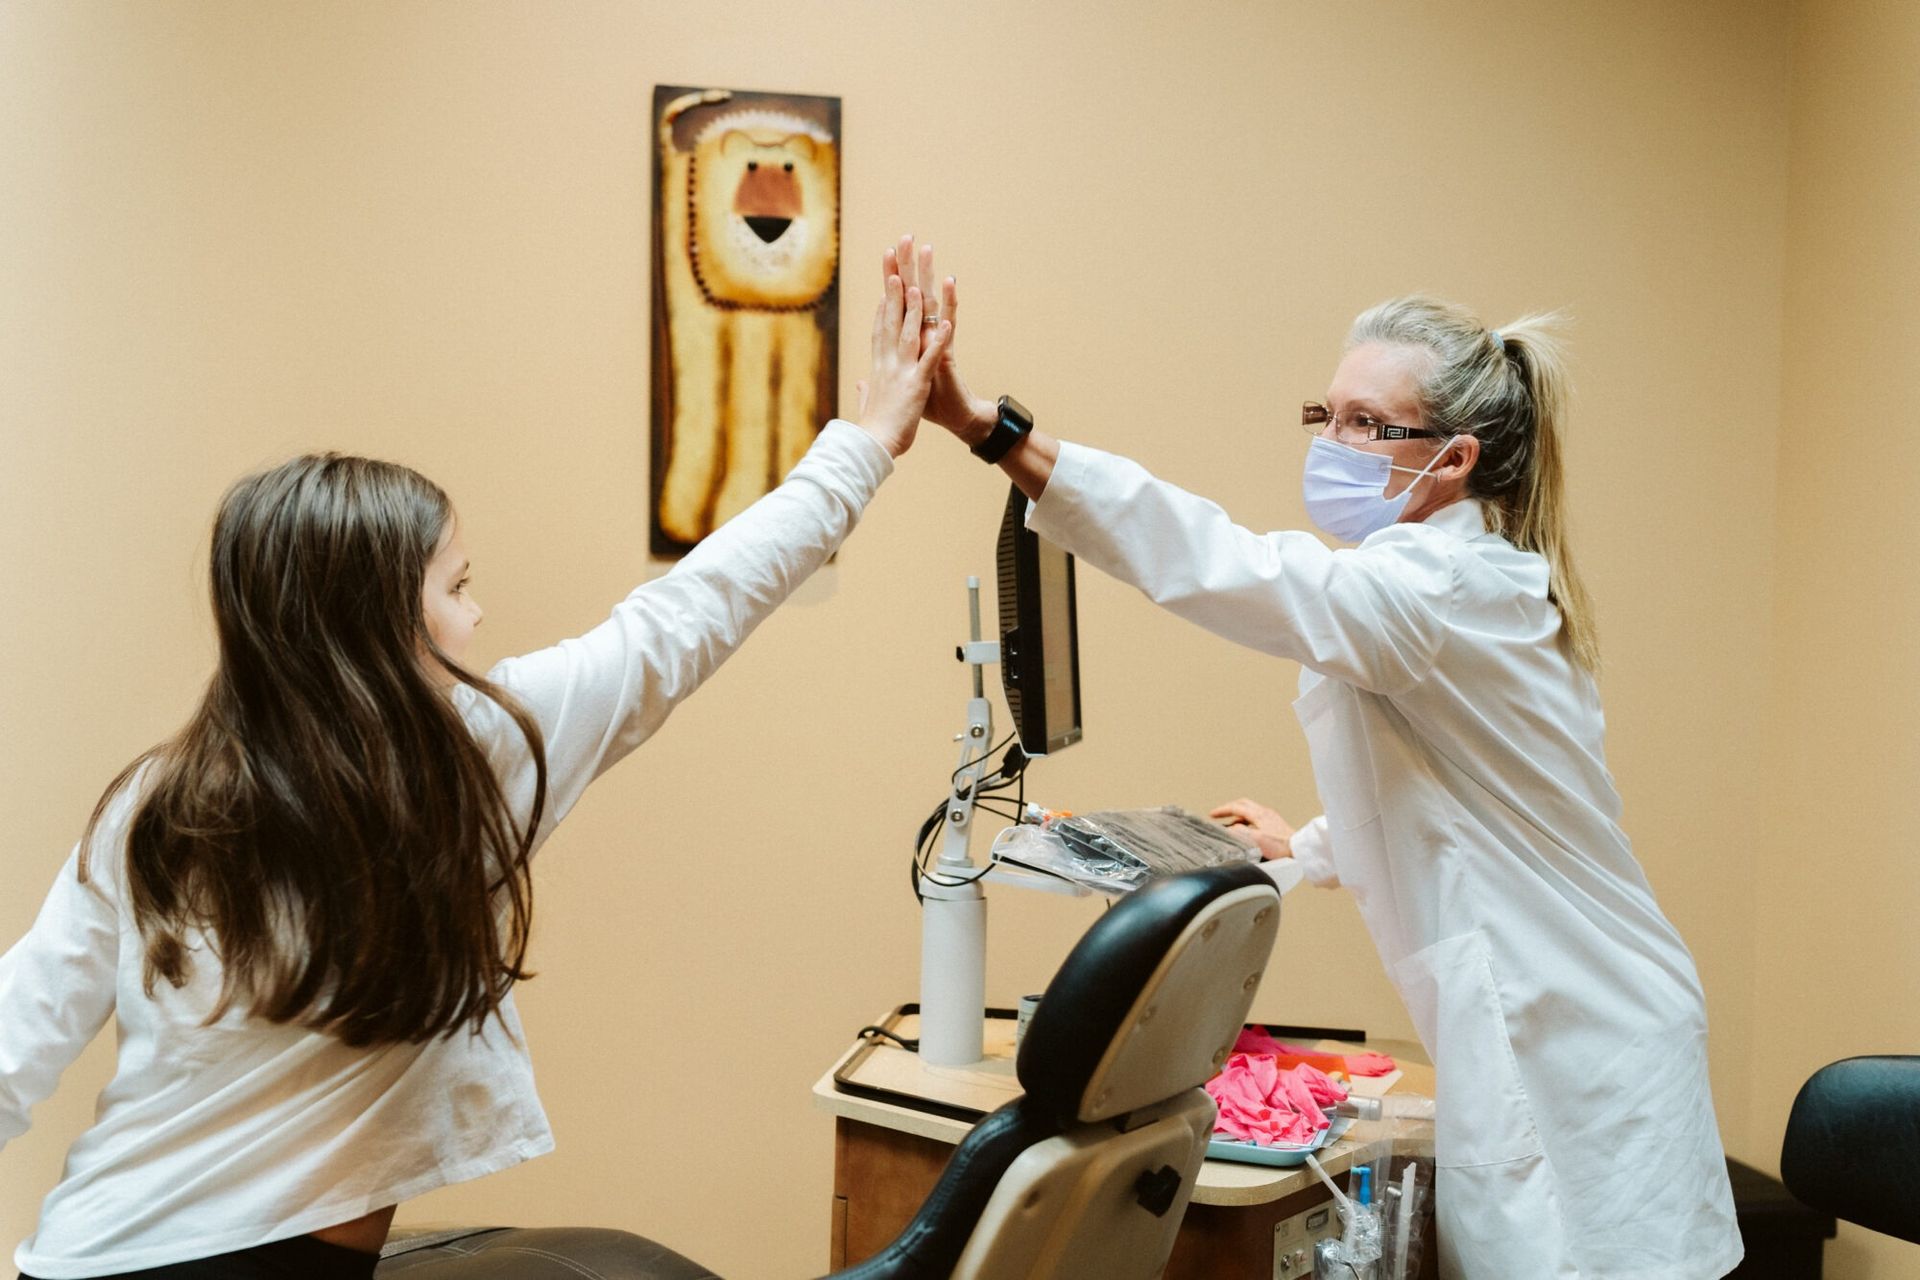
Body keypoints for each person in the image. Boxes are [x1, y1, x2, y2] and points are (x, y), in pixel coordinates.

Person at [0, 254, 951, 1280]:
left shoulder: (153, 801)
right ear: (376, 626)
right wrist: (868, 438)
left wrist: (866, 439)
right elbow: (690, 616)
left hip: (76, 1256)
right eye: (458, 585)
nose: (479, 612)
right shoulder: (467, 763)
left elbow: (19, 1027)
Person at [898, 237, 1743, 1279]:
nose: (1334, 441)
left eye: (1366, 424)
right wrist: (1302, 844)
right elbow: (1465, 795)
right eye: (1327, 414)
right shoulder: (1456, 580)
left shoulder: (1436, 590)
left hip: (1576, 1047)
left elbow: (1228, 567)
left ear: (1455, 456)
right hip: (1568, 1021)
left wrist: (996, 433)